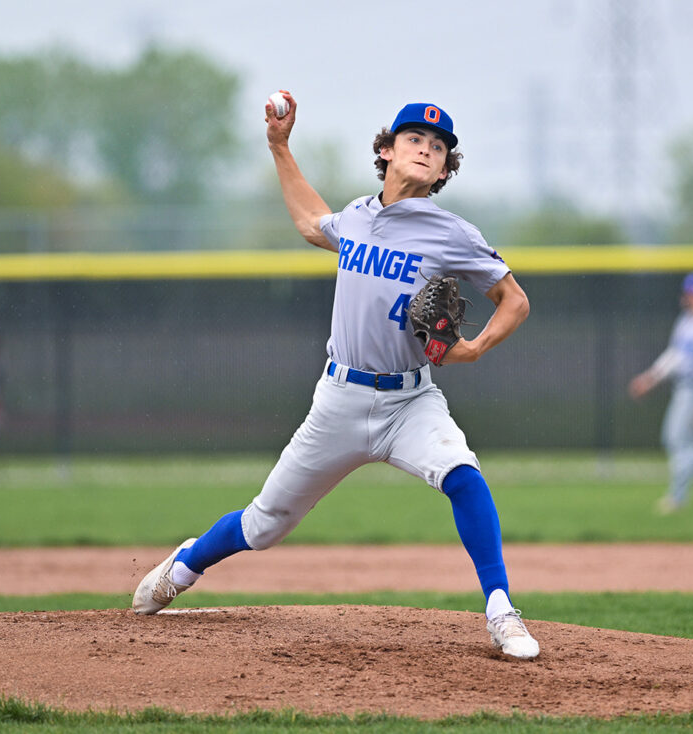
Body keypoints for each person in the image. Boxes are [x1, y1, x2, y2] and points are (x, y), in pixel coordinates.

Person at [133, 95, 540, 660]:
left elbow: (513, 301)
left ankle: (501, 609)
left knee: (463, 475)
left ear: (445, 170)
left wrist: (472, 350)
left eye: (438, 146)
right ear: (385, 150)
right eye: (414, 138)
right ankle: (183, 566)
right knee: (264, 524)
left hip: (411, 401)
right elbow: (307, 221)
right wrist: (279, 145)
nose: (426, 147)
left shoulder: (452, 233)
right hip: (340, 400)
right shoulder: (355, 217)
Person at [628, 273, 693, 514]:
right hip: (684, 387)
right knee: (686, 442)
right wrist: (650, 378)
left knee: (677, 439)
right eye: (688, 293)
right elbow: (674, 357)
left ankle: (681, 496)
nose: (689, 297)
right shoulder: (687, 321)